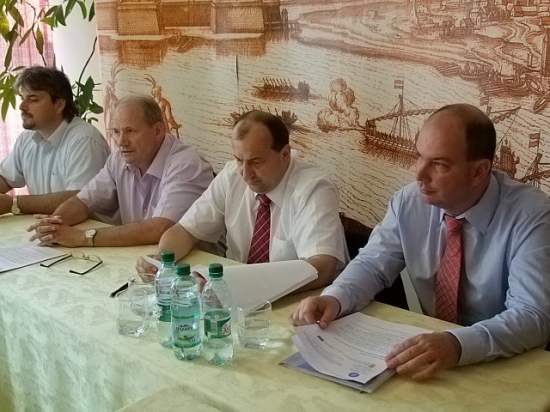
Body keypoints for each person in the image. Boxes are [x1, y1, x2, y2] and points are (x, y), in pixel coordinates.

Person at [290, 104, 550, 379]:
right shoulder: (409, 202)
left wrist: (457, 344)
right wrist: (335, 297)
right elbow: (372, 265)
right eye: (419, 156)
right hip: (432, 354)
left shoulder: (531, 215)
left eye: (438, 164)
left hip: (507, 363)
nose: (419, 174)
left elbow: (533, 315)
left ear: (479, 171)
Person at [137, 110, 348, 292]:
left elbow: (322, 268)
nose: (246, 174)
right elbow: (185, 231)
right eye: (239, 160)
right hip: (237, 297)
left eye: (256, 161)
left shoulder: (314, 188)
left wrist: (248, 285)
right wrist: (161, 260)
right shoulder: (232, 176)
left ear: (285, 155)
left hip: (304, 301)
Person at [27, 94, 214, 247]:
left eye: (130, 131)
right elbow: (83, 201)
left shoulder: (186, 165)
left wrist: (82, 237)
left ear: (157, 131)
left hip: (196, 267)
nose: (121, 142)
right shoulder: (119, 158)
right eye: (116, 132)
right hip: (143, 258)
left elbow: (161, 228)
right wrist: (54, 224)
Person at [0, 66, 110, 215]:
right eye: (22, 98)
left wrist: (13, 203)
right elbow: (5, 178)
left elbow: (79, 200)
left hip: (88, 227)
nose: (22, 106)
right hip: (49, 225)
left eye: (33, 99)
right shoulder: (27, 139)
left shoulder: (84, 139)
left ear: (59, 105)